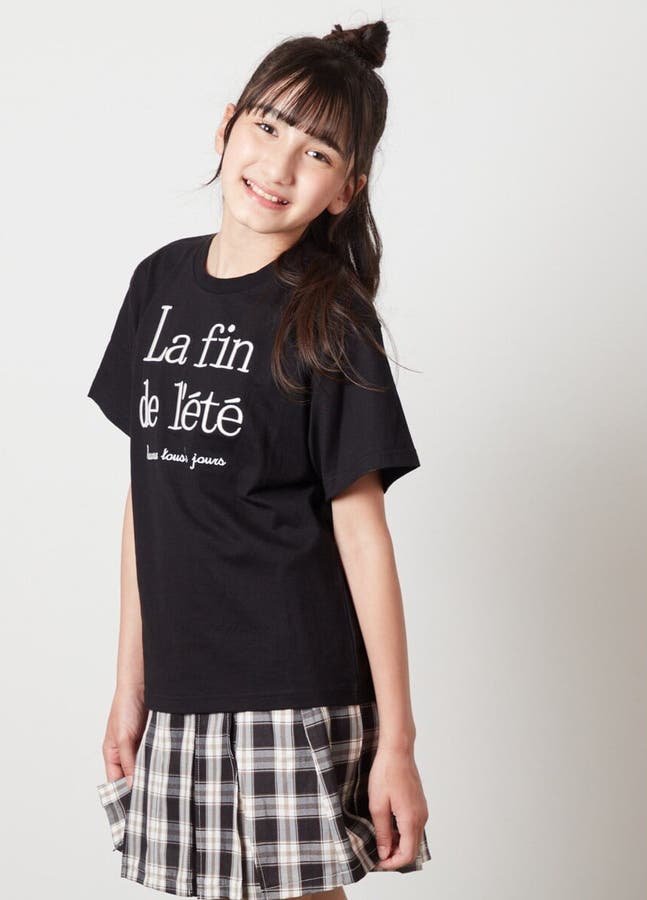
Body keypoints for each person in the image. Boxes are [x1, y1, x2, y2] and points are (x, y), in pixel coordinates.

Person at [88, 20, 432, 900]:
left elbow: (363, 535)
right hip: (182, 683)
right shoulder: (158, 283)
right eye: (269, 126)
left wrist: (397, 742)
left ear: (347, 190)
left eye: (318, 153)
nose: (279, 166)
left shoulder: (330, 316)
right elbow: (147, 497)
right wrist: (130, 685)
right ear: (227, 125)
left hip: (293, 680)